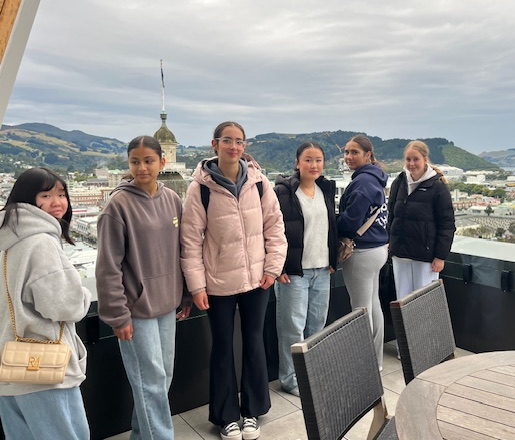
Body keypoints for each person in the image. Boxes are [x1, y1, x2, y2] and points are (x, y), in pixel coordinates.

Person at [180, 121, 287, 440]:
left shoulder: (259, 182)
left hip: (257, 279)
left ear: (245, 146)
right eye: (227, 140)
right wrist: (196, 286)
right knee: (222, 346)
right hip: (218, 281)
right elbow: (190, 240)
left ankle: (252, 411)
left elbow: (275, 227)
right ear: (215, 144)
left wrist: (272, 268)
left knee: (254, 343)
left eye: (239, 141)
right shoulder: (200, 187)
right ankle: (226, 415)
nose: (234, 146)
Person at [96, 135, 191, 440]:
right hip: (136, 310)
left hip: (167, 304)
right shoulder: (118, 205)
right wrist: (118, 315)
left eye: (148, 161)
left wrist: (185, 294)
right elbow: (108, 265)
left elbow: (180, 251)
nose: (142, 168)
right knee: (150, 383)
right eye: (135, 161)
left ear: (162, 161)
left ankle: (142, 435)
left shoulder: (172, 199)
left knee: (160, 380)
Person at [0, 167, 92, 439]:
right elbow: (66, 305)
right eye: (46, 195)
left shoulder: (8, 237)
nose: (57, 202)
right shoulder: (40, 242)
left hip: (9, 364)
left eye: (61, 194)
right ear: (28, 198)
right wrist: (83, 294)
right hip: (42, 367)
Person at [273, 142, 338, 397]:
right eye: (308, 160)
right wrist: (278, 267)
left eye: (318, 160)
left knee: (317, 326)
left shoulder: (325, 189)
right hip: (294, 272)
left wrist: (332, 259)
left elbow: (331, 227)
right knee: (293, 328)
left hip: (322, 270)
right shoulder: (284, 192)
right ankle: (290, 379)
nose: (314, 165)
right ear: (297, 162)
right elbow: (274, 231)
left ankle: (313, 373)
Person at [337, 135, 388, 369]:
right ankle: (375, 362)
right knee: (373, 305)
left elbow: (350, 222)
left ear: (368, 155)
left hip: (362, 252)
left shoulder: (362, 182)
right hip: (378, 248)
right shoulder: (375, 178)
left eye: (354, 152)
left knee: (360, 309)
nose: (348, 157)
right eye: (346, 152)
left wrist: (332, 222)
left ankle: (363, 366)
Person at [387, 140, 456, 300]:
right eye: (408, 159)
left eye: (415, 159)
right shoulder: (400, 182)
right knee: (403, 302)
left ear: (425, 159)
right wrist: (390, 239)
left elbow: (447, 224)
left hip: (425, 257)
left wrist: (440, 256)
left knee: (424, 303)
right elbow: (392, 214)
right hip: (400, 255)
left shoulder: (437, 186)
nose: (411, 164)